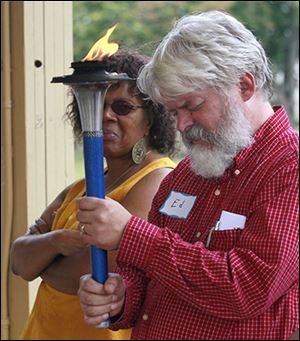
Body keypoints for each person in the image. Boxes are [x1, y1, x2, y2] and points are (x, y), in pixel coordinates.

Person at [77, 11, 299, 340]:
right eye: (173, 111)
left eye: (192, 106)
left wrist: (131, 235)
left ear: (244, 85)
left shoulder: (289, 166)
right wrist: (121, 296)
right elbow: (147, 279)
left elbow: (245, 288)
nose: (181, 125)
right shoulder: (187, 173)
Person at [10, 48, 177, 340]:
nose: (106, 116)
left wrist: (42, 264)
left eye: (122, 107)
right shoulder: (79, 187)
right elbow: (18, 260)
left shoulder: (158, 179)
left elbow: (91, 273)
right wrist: (57, 241)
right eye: (97, 104)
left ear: (150, 116)